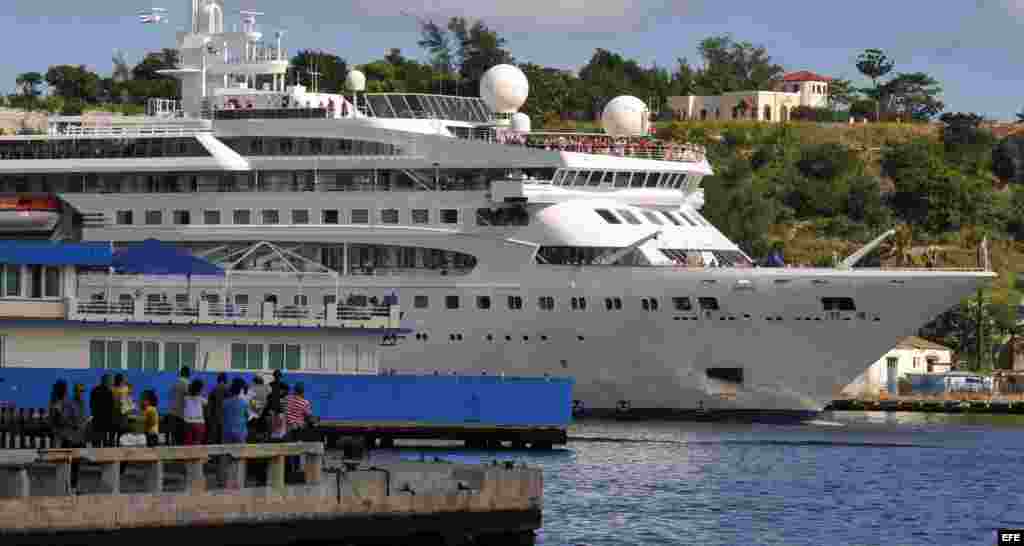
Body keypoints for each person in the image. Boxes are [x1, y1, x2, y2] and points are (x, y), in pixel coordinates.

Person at [49, 380, 83, 491]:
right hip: (70, 438)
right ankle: (71, 488)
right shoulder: (64, 402)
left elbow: (54, 421)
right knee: (73, 465)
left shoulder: (55, 402)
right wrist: (74, 424)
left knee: (66, 465)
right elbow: (65, 419)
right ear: (64, 390)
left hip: (63, 437)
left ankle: (67, 487)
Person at [89, 374, 114, 447]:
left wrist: (94, 414)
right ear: (106, 381)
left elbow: (91, 405)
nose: (111, 383)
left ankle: (95, 457)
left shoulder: (94, 390)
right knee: (105, 442)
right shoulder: (109, 392)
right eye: (110, 381)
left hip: (97, 420)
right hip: (105, 421)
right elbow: (111, 408)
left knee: (96, 442)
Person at [169, 367, 191, 445]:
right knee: (181, 440)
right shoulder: (187, 383)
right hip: (181, 415)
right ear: (187, 373)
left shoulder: (174, 383)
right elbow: (190, 398)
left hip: (172, 413)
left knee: (174, 439)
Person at [223, 379, 249, 444]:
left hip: (227, 431)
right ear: (240, 390)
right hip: (240, 431)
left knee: (227, 452)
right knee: (241, 452)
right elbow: (247, 415)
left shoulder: (225, 402)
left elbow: (222, 415)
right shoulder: (244, 402)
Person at [183, 379, 207, 446]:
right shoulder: (202, 399)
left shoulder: (186, 398)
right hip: (199, 423)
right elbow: (206, 403)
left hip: (188, 423)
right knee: (197, 444)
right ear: (200, 390)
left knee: (188, 444)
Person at [207, 373, 228, 445]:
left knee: (214, 439)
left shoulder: (213, 390)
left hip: (215, 417)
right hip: (225, 418)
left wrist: (209, 417)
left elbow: (209, 405)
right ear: (225, 380)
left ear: (218, 379)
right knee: (222, 439)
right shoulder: (228, 389)